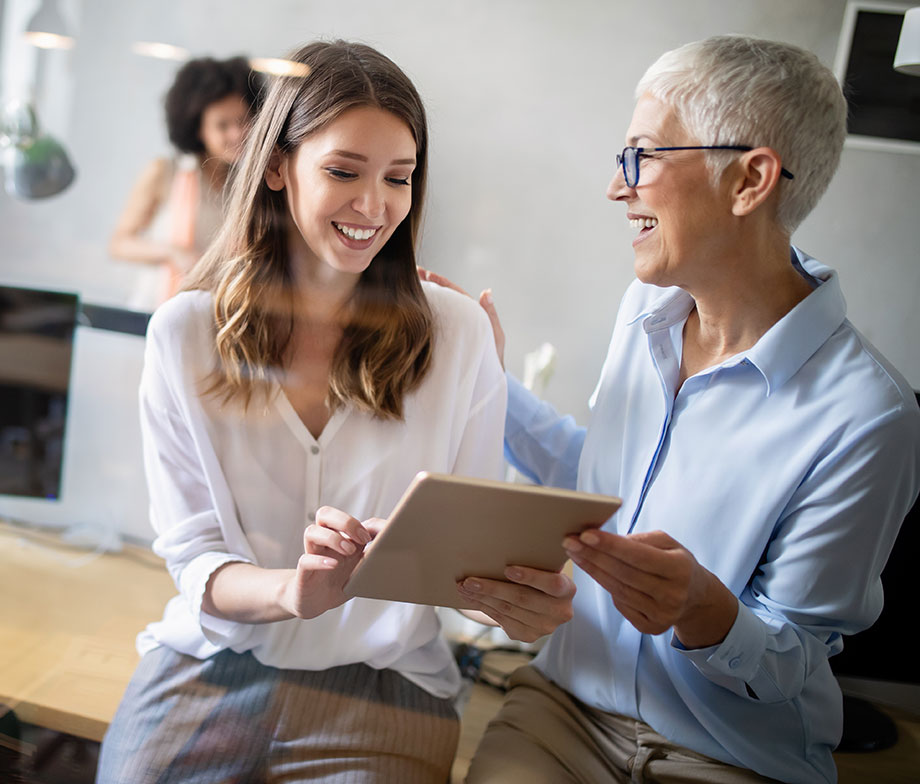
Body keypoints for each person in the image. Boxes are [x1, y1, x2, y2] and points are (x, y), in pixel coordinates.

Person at [444, 35, 920, 784]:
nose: (616, 186)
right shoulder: (646, 310)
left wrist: (706, 614)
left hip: (729, 753)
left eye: (642, 155)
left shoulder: (869, 416)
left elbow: (792, 658)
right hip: (567, 711)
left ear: (749, 180)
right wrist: (481, 382)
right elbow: (604, 485)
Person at [96, 40, 573, 783]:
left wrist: (510, 604)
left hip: (386, 684)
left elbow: (467, 570)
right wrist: (293, 591)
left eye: (399, 178)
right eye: (344, 172)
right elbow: (194, 560)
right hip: (217, 663)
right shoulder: (185, 333)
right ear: (279, 167)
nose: (374, 205)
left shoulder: (458, 335)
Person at [109, 55, 261, 309]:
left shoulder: (247, 185)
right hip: (156, 309)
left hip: (213, 314)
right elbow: (119, 244)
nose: (237, 134)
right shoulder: (164, 172)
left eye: (243, 121)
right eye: (222, 125)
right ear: (198, 128)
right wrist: (173, 253)